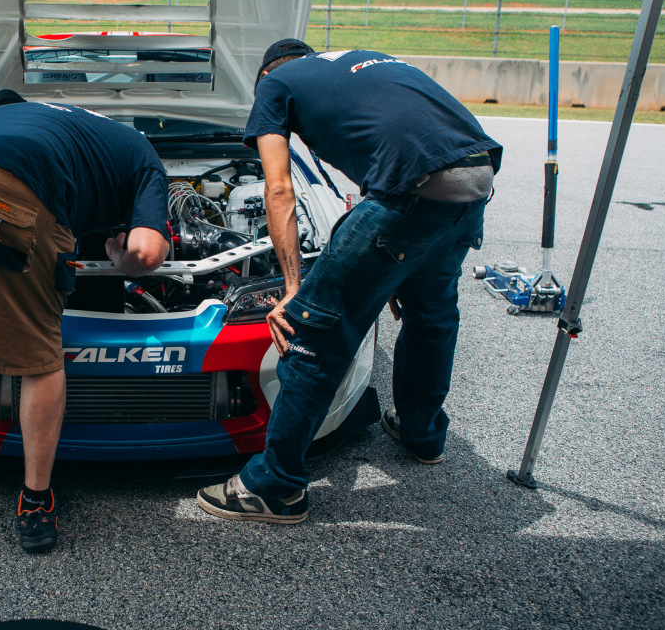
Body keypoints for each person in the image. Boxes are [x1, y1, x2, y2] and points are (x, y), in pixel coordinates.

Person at [197, 40, 502, 524]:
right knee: (433, 316)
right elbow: (395, 143)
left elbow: (278, 188)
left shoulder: (275, 84)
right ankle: (422, 434)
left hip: (415, 192)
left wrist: (294, 290)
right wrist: (400, 268)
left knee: (312, 332)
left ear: (264, 77)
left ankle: (274, 486)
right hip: (475, 181)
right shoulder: (362, 62)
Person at [0, 100, 169, 553]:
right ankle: (35, 501)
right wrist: (116, 256)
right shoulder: (144, 154)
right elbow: (147, 254)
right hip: (10, 189)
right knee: (39, 358)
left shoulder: (52, 117)